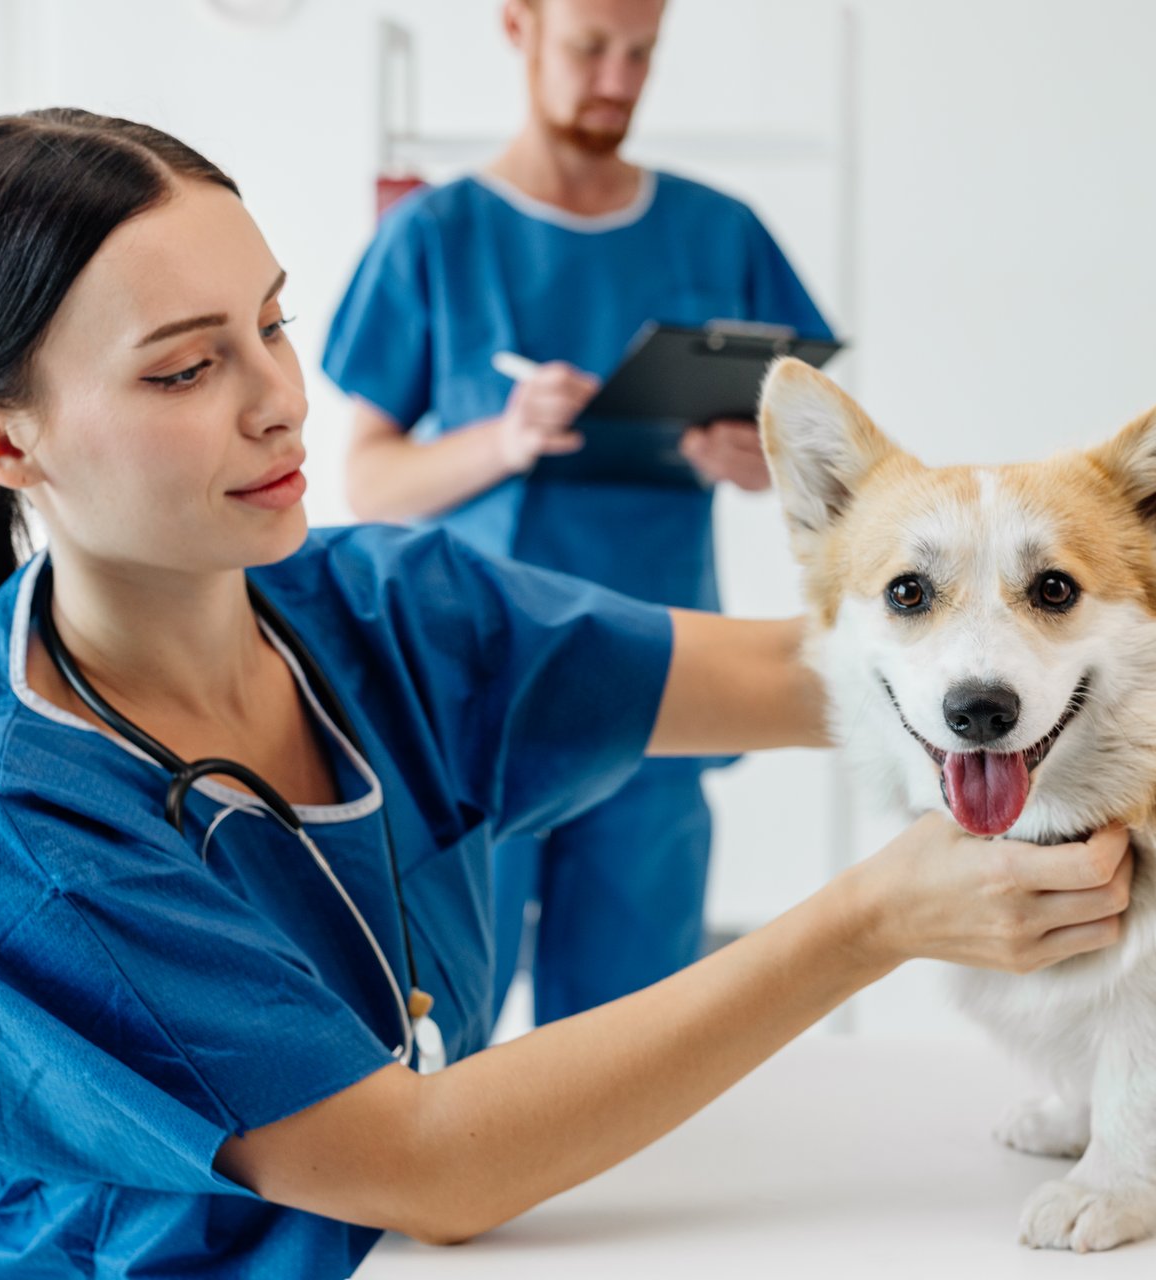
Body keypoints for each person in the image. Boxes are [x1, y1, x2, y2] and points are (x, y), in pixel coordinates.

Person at [0, 109, 1156, 1278]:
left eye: (273, 325)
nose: (279, 398)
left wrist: (1111, 629)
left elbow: (808, 673)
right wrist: (868, 923)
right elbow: (425, 1169)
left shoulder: (392, 612)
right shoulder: (8, 813)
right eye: (185, 367)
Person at [322, 0, 836, 1026]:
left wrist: (749, 455)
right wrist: (504, 441)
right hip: (479, 692)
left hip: (664, 676)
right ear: (519, 28)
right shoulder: (437, 236)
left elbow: (812, 455)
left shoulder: (718, 232)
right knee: (443, 1031)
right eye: (590, 47)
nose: (617, 78)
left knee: (633, 1036)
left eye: (640, 52)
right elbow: (368, 481)